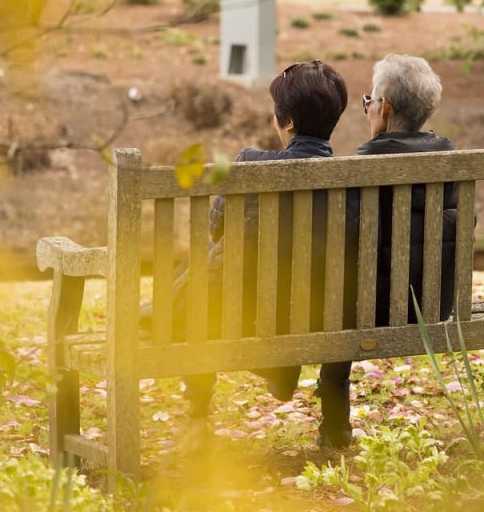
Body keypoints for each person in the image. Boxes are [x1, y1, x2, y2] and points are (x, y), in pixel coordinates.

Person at [148, 60, 349, 417]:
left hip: (242, 313)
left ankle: (198, 414)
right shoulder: (352, 178)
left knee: (203, 279)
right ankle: (302, 391)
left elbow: (217, 229)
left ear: (287, 122)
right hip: (322, 313)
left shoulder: (252, 164)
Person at [317, 54, 459, 449]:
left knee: (338, 307)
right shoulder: (450, 159)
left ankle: (335, 429)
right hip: (433, 305)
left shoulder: (363, 166)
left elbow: (342, 239)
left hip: (367, 310)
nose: (368, 108)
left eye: (370, 101)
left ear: (386, 109)